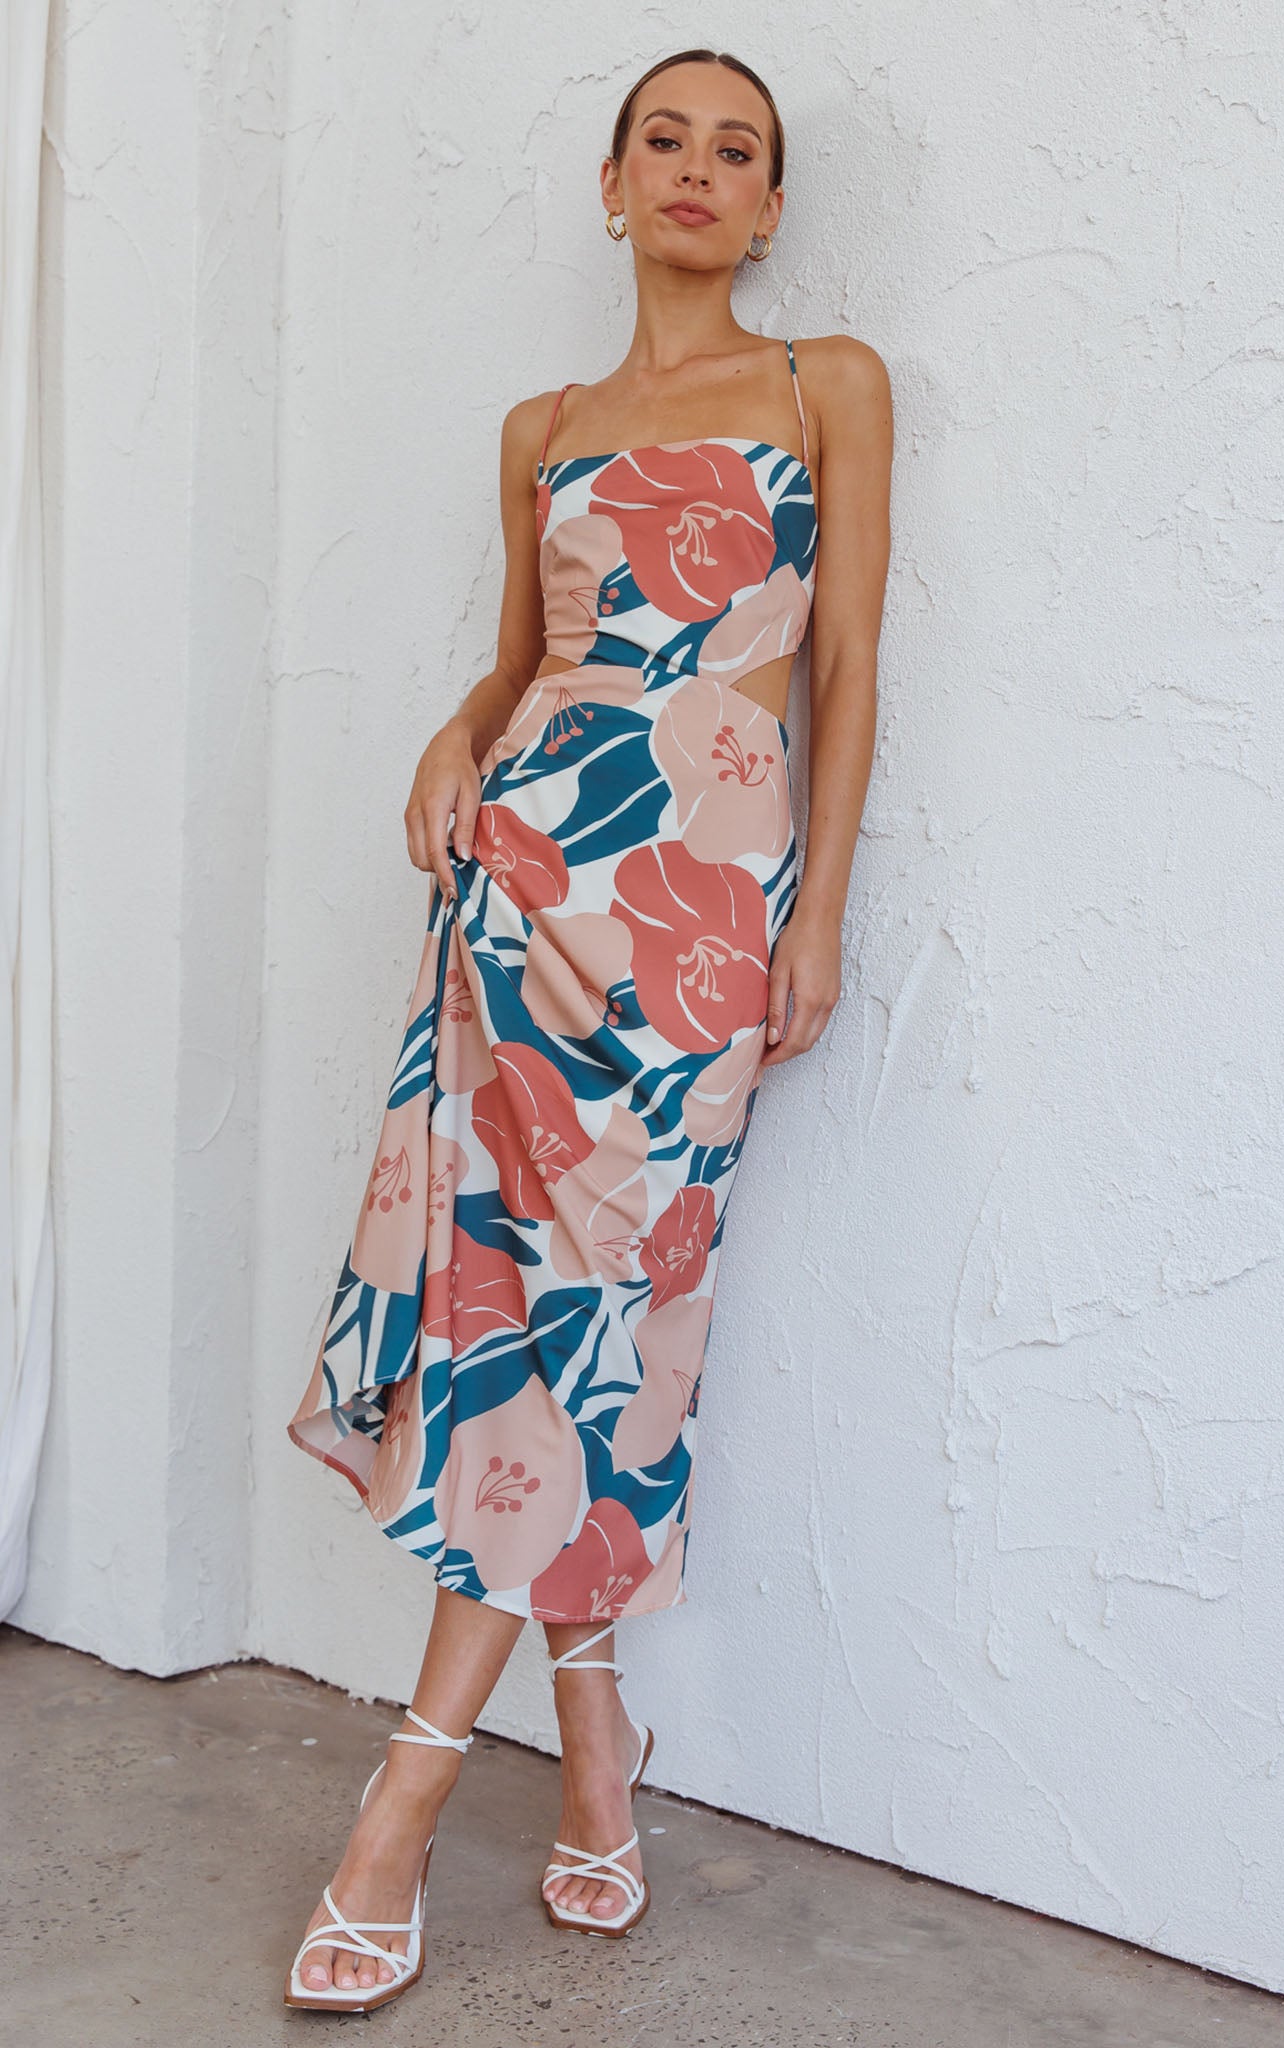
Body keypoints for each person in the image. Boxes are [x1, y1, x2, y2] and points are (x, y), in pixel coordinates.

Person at [282, 44, 892, 2012]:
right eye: (664, 140)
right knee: (513, 1314)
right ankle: (592, 1755)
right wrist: (449, 736)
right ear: (612, 184)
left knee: (611, 1312)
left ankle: (409, 1789)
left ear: (769, 208)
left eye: (739, 150)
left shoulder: (825, 384)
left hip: (699, 918)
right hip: (518, 890)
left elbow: (846, 664)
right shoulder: (540, 426)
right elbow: (522, 659)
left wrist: (815, 911)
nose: (698, 169)